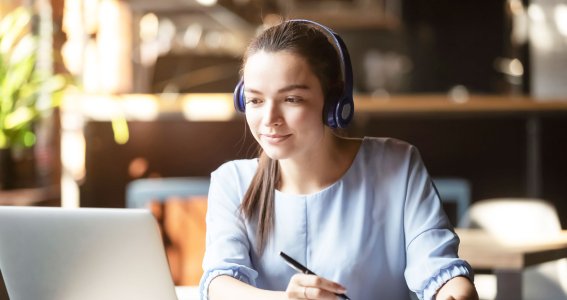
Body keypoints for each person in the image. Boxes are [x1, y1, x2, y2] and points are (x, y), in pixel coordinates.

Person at [199, 19, 478, 300]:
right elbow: (219, 284)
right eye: (255, 101)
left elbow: (440, 270)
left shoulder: (397, 165)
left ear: (334, 103)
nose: (269, 119)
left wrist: (456, 292)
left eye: (292, 99)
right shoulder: (232, 182)